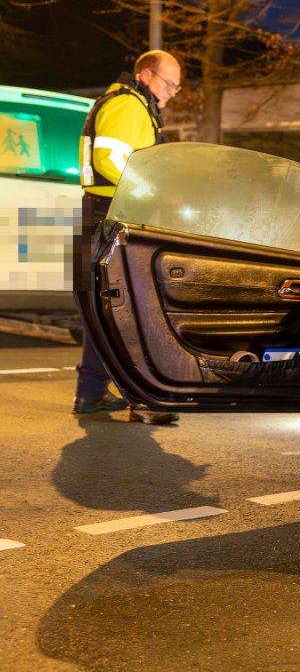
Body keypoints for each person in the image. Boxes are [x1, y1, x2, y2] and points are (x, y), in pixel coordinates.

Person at [72, 50, 182, 425]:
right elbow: (108, 159)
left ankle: (91, 393)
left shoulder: (124, 102)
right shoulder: (129, 105)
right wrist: (148, 193)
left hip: (102, 212)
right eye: (170, 83)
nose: (173, 92)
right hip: (115, 214)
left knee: (105, 308)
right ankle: (145, 400)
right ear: (147, 75)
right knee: (136, 309)